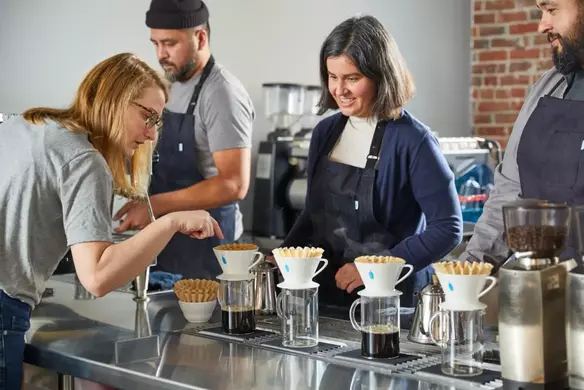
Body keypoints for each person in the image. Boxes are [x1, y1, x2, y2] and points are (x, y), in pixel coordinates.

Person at [0, 52, 223, 389]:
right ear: (113, 98)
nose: (151, 135)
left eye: (157, 123)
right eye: (147, 116)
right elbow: (97, 277)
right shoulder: (83, 160)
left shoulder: (27, 124)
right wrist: (170, 221)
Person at [277, 15, 463, 309]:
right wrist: (280, 257)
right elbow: (314, 213)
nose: (339, 90)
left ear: (382, 76)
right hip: (328, 294)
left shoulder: (414, 141)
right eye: (332, 76)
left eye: (352, 78)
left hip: (391, 299)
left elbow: (448, 228)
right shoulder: (325, 133)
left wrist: (375, 268)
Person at [113, 0, 255, 280]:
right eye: (155, 43)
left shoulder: (221, 94)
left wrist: (154, 206)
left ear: (200, 37)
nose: (160, 54)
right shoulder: (169, 82)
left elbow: (234, 183)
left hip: (207, 248)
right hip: (166, 241)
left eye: (169, 44)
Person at [461, 0, 584, 265]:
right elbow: (510, 190)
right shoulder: (547, 87)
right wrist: (470, 269)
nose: (542, 25)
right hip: (533, 289)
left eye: (552, 10)